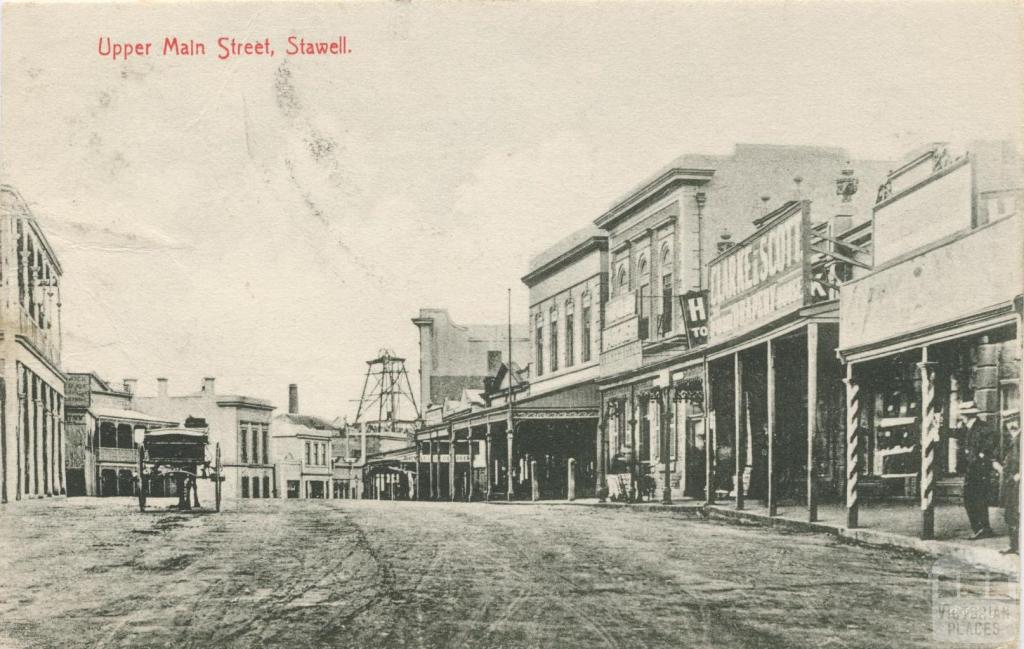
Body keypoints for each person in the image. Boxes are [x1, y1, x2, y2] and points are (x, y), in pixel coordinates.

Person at [955, 402, 996, 540]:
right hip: (970, 469)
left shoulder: (983, 428)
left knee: (976, 498)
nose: (960, 417)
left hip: (979, 469)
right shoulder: (966, 428)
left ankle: (981, 528)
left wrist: (980, 458)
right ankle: (982, 528)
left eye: (962, 414)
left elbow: (988, 448)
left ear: (966, 415)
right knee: (972, 498)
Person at [997, 415, 1020, 554]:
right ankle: (1014, 546)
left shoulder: (1019, 439)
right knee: (1010, 513)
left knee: (1014, 513)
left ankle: (1016, 546)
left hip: (1016, 482)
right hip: (1010, 481)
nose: (1010, 425)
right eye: (1008, 423)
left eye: (1013, 422)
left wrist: (1018, 476)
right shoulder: (1013, 439)